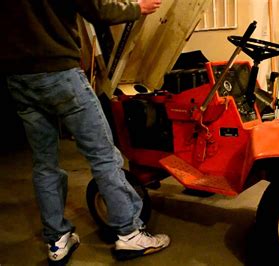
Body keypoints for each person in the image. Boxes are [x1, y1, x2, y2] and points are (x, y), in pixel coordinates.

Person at [0, 0, 170, 264]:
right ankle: (130, 234)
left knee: (44, 163)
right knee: (103, 156)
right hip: (59, 73)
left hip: (19, 78)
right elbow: (98, 10)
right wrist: (138, 7)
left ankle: (57, 239)